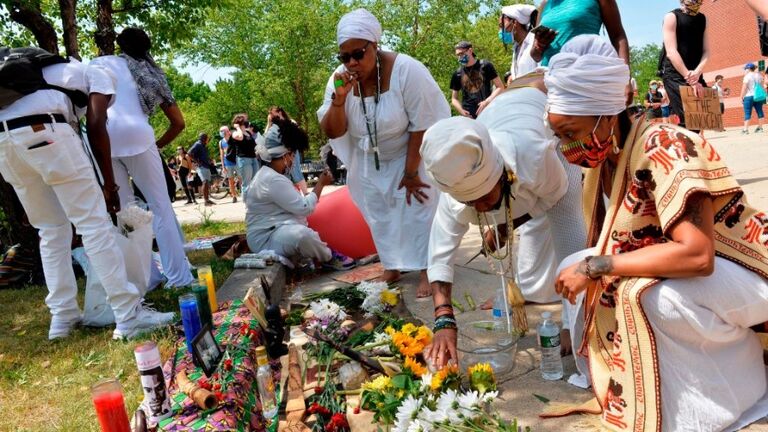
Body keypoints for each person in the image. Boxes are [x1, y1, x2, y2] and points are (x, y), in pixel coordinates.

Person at [544, 34, 768, 431]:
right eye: (559, 135)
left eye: (570, 132)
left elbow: (697, 256)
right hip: (714, 271)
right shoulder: (606, 159)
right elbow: (609, 243)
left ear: (606, 115)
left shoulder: (664, 144)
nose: (566, 147)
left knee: (650, 296)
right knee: (579, 264)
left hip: (749, 269)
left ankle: (730, 397)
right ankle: (654, 382)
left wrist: (598, 267)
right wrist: (588, 277)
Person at [0, 48, 174, 340]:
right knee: (93, 225)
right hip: (44, 128)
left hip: (5, 143)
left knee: (51, 230)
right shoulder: (98, 73)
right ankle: (128, 314)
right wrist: (109, 184)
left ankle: (62, 318)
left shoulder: (46, 73)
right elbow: (95, 123)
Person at [422, 80, 587, 369]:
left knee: (568, 233)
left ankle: (575, 322)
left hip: (537, 115)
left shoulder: (535, 157)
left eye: (485, 198)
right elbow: (439, 257)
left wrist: (503, 227)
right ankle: (533, 292)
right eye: (471, 203)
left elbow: (551, 199)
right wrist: (443, 319)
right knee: (527, 239)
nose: (480, 209)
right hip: (500, 115)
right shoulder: (453, 191)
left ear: (502, 176)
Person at [318, 8, 451, 296]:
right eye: (344, 57)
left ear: (375, 46)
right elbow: (332, 130)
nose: (352, 63)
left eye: (358, 54)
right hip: (368, 160)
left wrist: (411, 172)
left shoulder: (407, 70)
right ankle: (392, 267)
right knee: (380, 216)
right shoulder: (339, 80)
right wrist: (339, 101)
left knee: (419, 211)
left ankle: (428, 270)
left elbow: (423, 123)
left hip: (411, 153)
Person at [91, 27, 195, 288]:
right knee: (160, 208)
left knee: (126, 212)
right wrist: (156, 145)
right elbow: (178, 123)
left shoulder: (98, 64)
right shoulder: (150, 72)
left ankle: (145, 278)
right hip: (138, 135)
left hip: (102, 138)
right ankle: (178, 277)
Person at [246, 120, 353, 269]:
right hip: (266, 238)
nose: (293, 160)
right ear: (286, 155)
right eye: (293, 156)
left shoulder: (268, 175)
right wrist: (320, 184)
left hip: (273, 232)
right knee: (303, 236)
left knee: (303, 230)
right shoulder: (273, 179)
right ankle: (328, 257)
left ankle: (312, 255)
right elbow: (305, 208)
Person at [533, 0, 631, 104]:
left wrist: (625, 79)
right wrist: (540, 45)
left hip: (585, 81)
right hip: (550, 84)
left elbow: (617, 35)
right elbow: (535, 56)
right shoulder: (544, 5)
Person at [661, 0, 709, 130]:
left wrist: (697, 72)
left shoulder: (702, 19)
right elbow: (671, 52)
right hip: (675, 74)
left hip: (695, 74)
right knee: (688, 121)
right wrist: (690, 78)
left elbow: (707, 51)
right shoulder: (671, 17)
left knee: (699, 121)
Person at [449, 41, 504, 118]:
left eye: (461, 53)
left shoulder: (485, 65)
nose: (460, 57)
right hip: (469, 117)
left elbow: (500, 87)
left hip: (488, 112)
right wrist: (462, 111)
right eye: (458, 55)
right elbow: (454, 99)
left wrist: (487, 101)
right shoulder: (457, 73)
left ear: (470, 50)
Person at [266, 107, 308, 194]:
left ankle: (305, 193)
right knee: (286, 175)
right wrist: (269, 122)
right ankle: (296, 194)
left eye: (272, 113)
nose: (271, 115)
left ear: (280, 112)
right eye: (270, 114)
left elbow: (298, 136)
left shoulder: (290, 121)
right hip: (280, 154)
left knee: (296, 172)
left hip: (291, 151)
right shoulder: (272, 126)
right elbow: (266, 136)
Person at [498, 4, 539, 81]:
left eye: (501, 26)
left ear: (514, 22)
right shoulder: (516, 48)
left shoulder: (535, 43)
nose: (500, 31)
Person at [230, 114, 259, 199]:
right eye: (245, 120)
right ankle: (246, 201)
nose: (247, 121)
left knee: (255, 180)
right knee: (247, 182)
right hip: (244, 159)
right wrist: (238, 128)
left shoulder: (248, 132)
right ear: (240, 122)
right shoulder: (235, 133)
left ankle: (254, 200)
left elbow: (254, 144)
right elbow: (240, 137)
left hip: (253, 158)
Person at [188, 133, 215, 206]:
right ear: (203, 138)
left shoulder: (203, 145)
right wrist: (197, 161)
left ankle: (207, 199)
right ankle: (206, 201)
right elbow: (189, 153)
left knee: (207, 183)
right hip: (201, 166)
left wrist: (209, 160)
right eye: (207, 138)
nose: (208, 139)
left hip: (206, 165)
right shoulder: (198, 144)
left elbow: (203, 155)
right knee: (205, 182)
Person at [741, 63, 766, 134]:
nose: (745, 70)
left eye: (745, 69)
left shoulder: (747, 76)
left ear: (748, 69)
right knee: (760, 111)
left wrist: (741, 96)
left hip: (749, 96)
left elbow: (744, 87)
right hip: (758, 96)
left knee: (747, 112)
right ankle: (760, 128)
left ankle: (745, 130)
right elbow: (762, 86)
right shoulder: (759, 75)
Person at [218, 125, 239, 202]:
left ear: (227, 131)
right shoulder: (221, 142)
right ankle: (234, 196)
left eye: (223, 131)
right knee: (230, 180)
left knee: (240, 177)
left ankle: (244, 193)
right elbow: (221, 154)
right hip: (227, 163)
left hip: (236, 161)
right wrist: (223, 166)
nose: (221, 133)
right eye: (221, 131)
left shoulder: (234, 138)